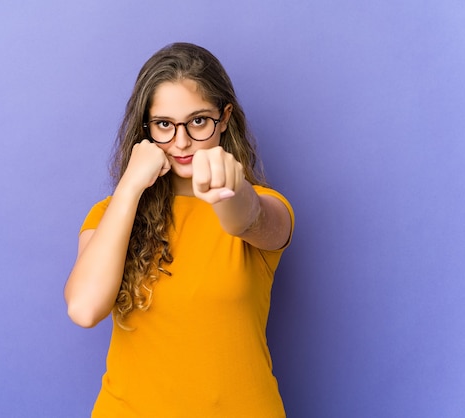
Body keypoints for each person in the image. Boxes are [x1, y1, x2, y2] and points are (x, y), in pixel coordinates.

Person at [64, 42, 294, 418]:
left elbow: (246, 218)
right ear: (145, 130)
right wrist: (130, 188)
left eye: (198, 120)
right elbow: (85, 309)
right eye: (165, 125)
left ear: (224, 118)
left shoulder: (269, 205)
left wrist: (230, 190)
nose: (182, 141)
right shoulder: (110, 214)